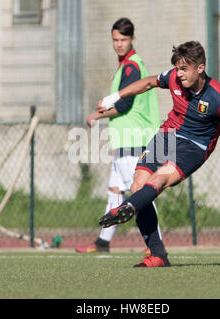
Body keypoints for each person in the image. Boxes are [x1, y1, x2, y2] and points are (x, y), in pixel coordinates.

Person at [97, 41, 220, 267]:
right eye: (177, 68)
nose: (179, 74)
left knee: (159, 180)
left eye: (184, 69)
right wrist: (115, 97)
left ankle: (128, 207)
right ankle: (157, 254)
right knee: (138, 186)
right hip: (167, 135)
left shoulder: (219, 98)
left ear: (200, 68)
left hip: (195, 147)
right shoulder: (174, 78)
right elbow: (149, 83)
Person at [75, 18, 162, 254]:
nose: (118, 44)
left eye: (123, 39)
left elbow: (124, 105)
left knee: (140, 193)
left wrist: (96, 115)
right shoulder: (128, 65)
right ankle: (103, 242)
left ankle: (155, 246)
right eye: (115, 39)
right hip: (125, 140)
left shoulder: (132, 66)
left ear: (132, 40)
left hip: (135, 139)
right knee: (115, 190)